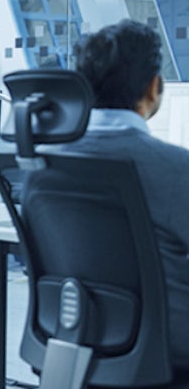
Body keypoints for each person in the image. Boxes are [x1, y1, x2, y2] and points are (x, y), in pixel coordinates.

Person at [57, 19, 189, 378]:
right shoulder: (177, 169)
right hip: (169, 348)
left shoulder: (46, 166)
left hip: (75, 338)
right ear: (153, 87)